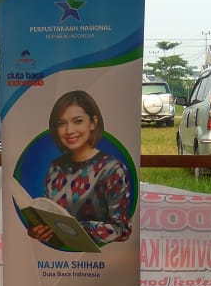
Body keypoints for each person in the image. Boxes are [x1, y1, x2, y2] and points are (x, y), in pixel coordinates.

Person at [26, 90, 133, 248]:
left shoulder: (112, 169)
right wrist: (38, 229)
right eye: (61, 123)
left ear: (93, 122)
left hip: (101, 262)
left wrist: (77, 228)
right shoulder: (55, 167)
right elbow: (50, 215)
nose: (69, 130)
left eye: (77, 121)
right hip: (57, 260)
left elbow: (122, 229)